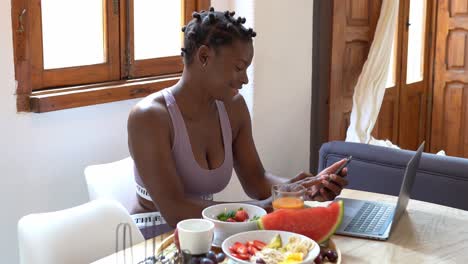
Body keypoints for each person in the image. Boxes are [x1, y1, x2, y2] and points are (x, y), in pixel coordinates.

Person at [127, 8, 348, 233]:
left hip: (208, 233)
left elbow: (257, 180)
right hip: (153, 237)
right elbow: (174, 209)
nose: (244, 79)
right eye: (238, 68)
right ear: (204, 56)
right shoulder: (149, 117)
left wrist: (298, 190)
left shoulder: (233, 107)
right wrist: (258, 209)